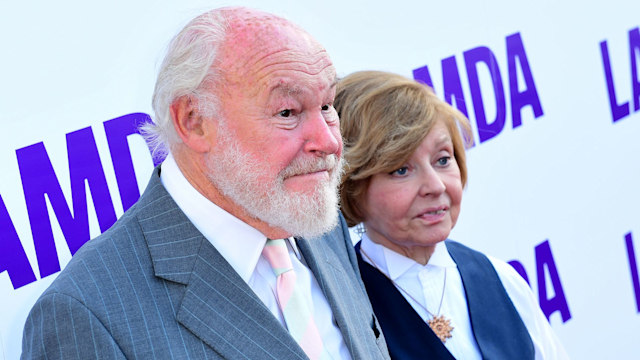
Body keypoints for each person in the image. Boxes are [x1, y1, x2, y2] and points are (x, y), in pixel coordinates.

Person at [21, 8, 389, 360]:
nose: (328, 142)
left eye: (327, 106)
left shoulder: (314, 215)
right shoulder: (86, 313)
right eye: (288, 112)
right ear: (194, 121)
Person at [335, 70, 568, 359]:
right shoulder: (340, 315)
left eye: (443, 159)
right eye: (401, 170)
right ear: (352, 186)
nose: (435, 185)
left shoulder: (501, 280)